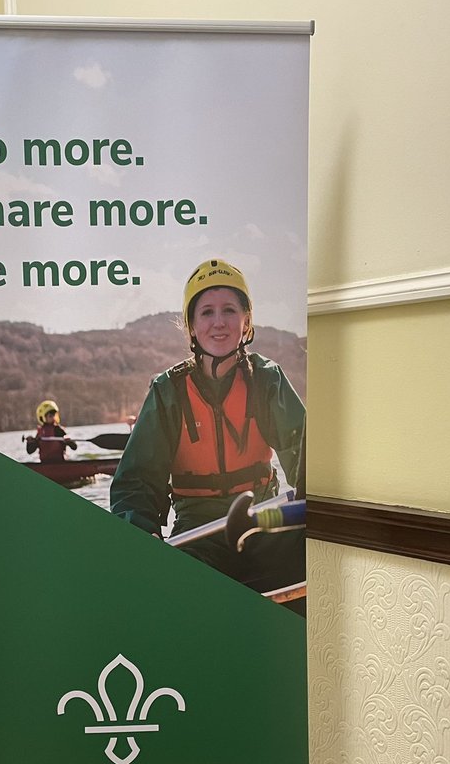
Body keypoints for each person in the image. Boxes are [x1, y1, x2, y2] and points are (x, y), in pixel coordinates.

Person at [110, 258, 305, 602]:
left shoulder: (266, 379)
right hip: (198, 532)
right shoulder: (167, 391)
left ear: (246, 322)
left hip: (263, 518)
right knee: (175, 584)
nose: (219, 323)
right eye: (206, 312)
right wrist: (143, 536)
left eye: (229, 310)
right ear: (191, 327)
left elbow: (306, 456)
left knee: (312, 550)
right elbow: (135, 483)